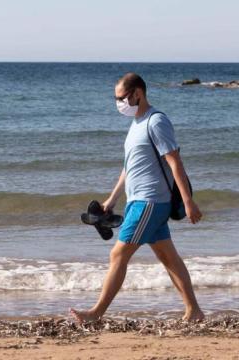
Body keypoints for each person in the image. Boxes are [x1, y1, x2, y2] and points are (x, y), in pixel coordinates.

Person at [70, 73, 204, 323]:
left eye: (121, 98)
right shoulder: (136, 125)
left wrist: (188, 201)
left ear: (137, 94)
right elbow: (129, 168)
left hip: (150, 201)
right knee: (168, 257)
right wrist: (111, 201)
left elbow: (175, 162)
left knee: (117, 255)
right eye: (116, 98)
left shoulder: (156, 121)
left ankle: (95, 313)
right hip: (138, 200)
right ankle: (194, 311)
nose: (118, 103)